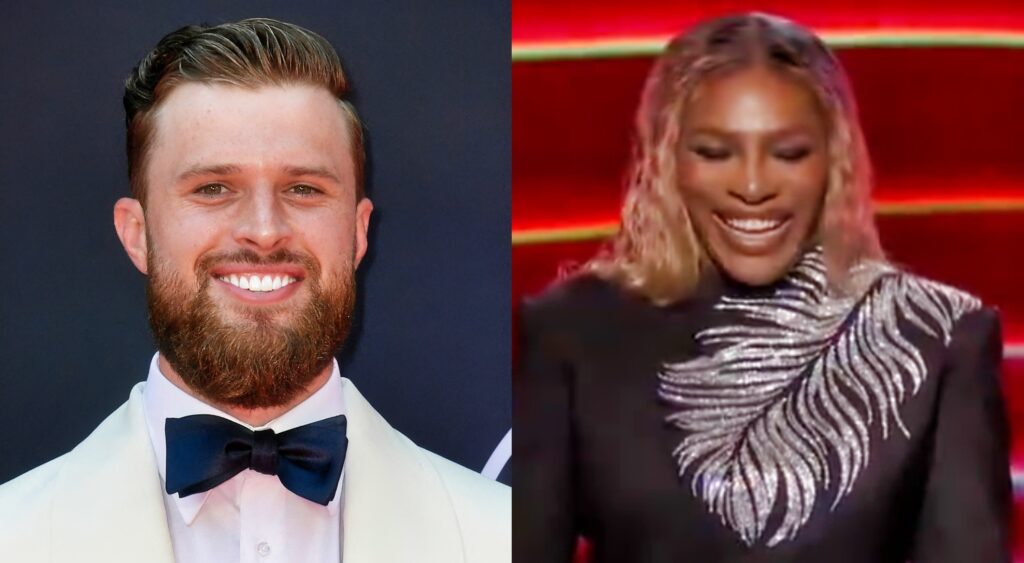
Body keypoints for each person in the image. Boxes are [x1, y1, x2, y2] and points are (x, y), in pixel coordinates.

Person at [0, 18, 509, 563]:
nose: (265, 230)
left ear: (359, 231)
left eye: (303, 188)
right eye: (213, 188)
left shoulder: (498, 535)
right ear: (137, 234)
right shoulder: (15, 535)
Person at [514, 12, 1010, 563]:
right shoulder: (574, 331)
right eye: (715, 152)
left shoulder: (939, 337)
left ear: (834, 162)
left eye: (789, 154)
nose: (752, 186)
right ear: (667, 158)